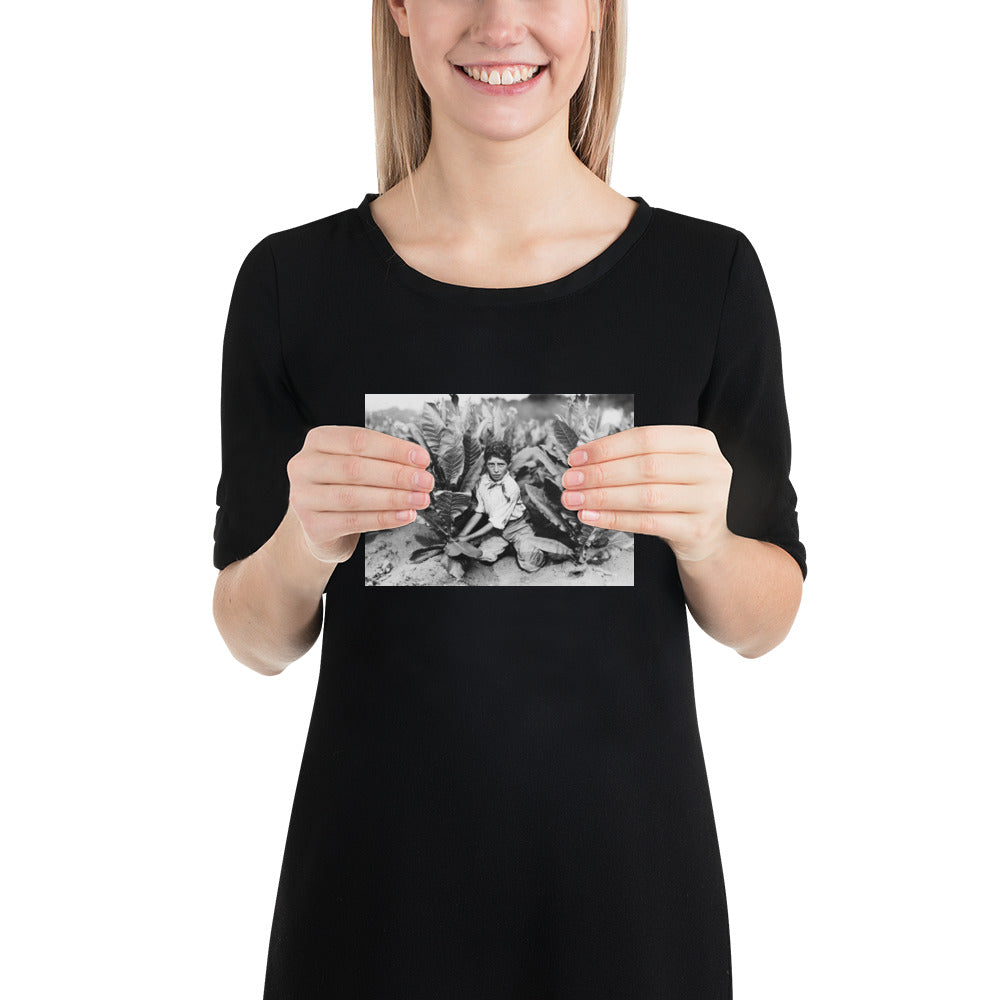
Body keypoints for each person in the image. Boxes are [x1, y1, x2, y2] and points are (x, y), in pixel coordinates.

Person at [211, 1, 807, 997]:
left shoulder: (707, 279)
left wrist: (708, 536)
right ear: (399, 9)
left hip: (630, 909)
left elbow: (765, 619)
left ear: (598, 15)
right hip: (371, 909)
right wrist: (301, 541)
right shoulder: (291, 283)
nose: (501, 21)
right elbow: (254, 636)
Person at [457, 441, 572, 572]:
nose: (495, 470)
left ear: (508, 465)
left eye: (501, 465)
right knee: (482, 555)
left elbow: (494, 522)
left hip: (519, 528)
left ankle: (532, 548)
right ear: (486, 464)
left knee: (530, 564)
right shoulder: (482, 481)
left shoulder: (511, 488)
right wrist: (461, 534)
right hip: (500, 531)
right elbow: (479, 511)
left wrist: (467, 538)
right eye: (491, 464)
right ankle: (508, 548)